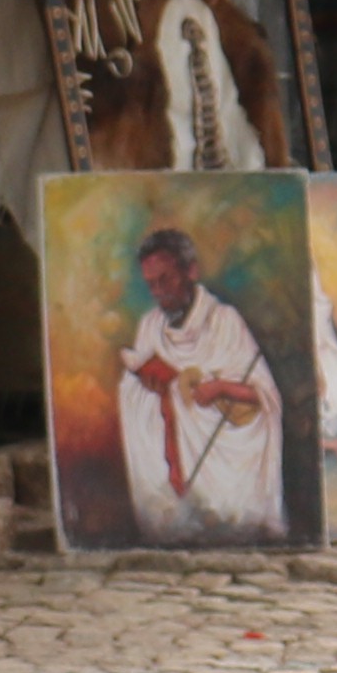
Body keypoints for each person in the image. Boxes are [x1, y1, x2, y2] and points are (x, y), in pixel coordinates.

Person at [111, 223, 288, 542]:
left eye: (165, 280)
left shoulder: (224, 321)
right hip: (169, 440)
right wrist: (149, 389)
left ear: (190, 271)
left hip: (227, 442)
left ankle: (233, 519)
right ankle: (173, 519)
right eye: (151, 284)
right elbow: (135, 384)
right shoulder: (150, 326)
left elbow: (265, 396)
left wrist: (220, 388)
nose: (158, 291)